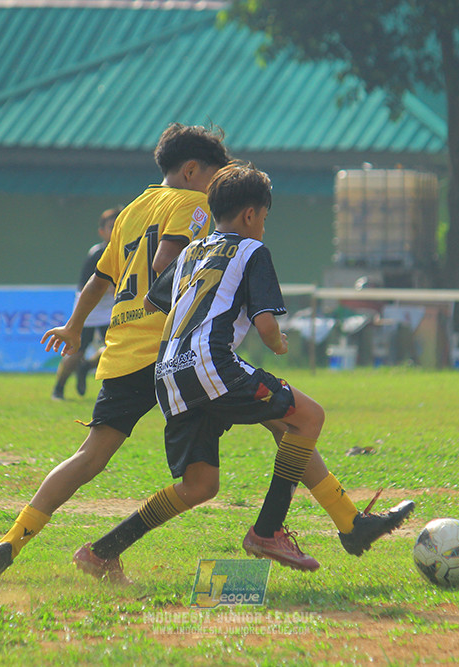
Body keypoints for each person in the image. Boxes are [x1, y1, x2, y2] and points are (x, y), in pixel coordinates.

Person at [72, 163, 414, 582]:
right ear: (251, 215)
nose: (265, 229)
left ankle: (103, 551)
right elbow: (267, 326)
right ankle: (268, 531)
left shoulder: (189, 255)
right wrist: (278, 344)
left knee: (199, 485)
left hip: (168, 374)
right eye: (265, 219)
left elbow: (162, 299)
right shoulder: (253, 251)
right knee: (308, 417)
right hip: (211, 365)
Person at [0, 123, 231, 581]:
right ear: (192, 170)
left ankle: (12, 540)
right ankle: (334, 518)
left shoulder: (131, 211)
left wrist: (74, 326)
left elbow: (100, 279)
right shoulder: (194, 204)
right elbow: (168, 266)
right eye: (216, 176)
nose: (219, 189)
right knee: (278, 412)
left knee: (89, 457)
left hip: (124, 348)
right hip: (172, 348)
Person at [51, 208, 119, 400]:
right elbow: (90, 287)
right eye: (112, 227)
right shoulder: (96, 254)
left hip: (111, 306)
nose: (116, 230)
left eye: (119, 226)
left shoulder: (127, 251)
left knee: (116, 347)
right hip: (89, 307)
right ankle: (59, 388)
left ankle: (87, 367)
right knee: (75, 351)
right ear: (102, 232)